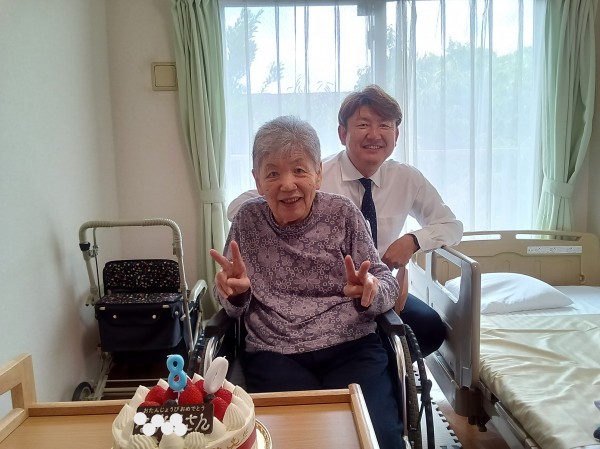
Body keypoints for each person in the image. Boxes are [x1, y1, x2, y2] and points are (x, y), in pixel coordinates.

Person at [210, 115, 405, 449]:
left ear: (318, 173)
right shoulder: (247, 220)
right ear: (258, 180)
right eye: (273, 173)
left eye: (299, 170)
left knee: (378, 438)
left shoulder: (342, 213)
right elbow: (231, 299)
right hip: (275, 352)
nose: (288, 184)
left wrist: (371, 291)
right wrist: (235, 295)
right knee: (295, 440)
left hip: (351, 346)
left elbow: (386, 282)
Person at [228, 85, 463, 358]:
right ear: (343, 133)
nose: (374, 134)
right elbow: (241, 207)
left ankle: (385, 366)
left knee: (430, 329)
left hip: (380, 288)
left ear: (396, 135)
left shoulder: (407, 178)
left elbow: (451, 226)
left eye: (384, 125)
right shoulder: (314, 176)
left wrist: (412, 241)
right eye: (363, 124)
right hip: (332, 297)